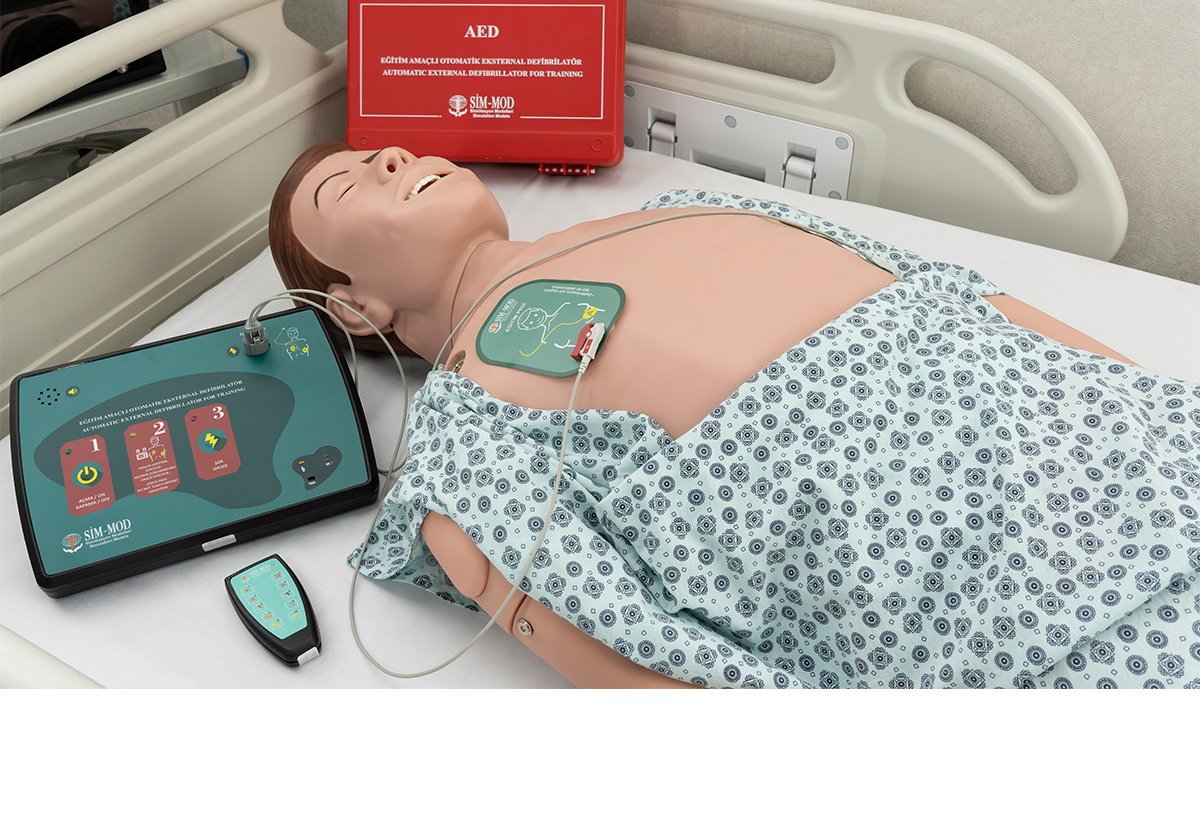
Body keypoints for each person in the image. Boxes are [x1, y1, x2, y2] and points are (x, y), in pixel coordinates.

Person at [270, 141, 1200, 688]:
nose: (391, 156)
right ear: (353, 309)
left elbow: (958, 293)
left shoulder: (684, 205)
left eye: (386, 150)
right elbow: (647, 668)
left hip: (1138, 439)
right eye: (347, 185)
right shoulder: (464, 446)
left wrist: (1154, 399)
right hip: (1031, 607)